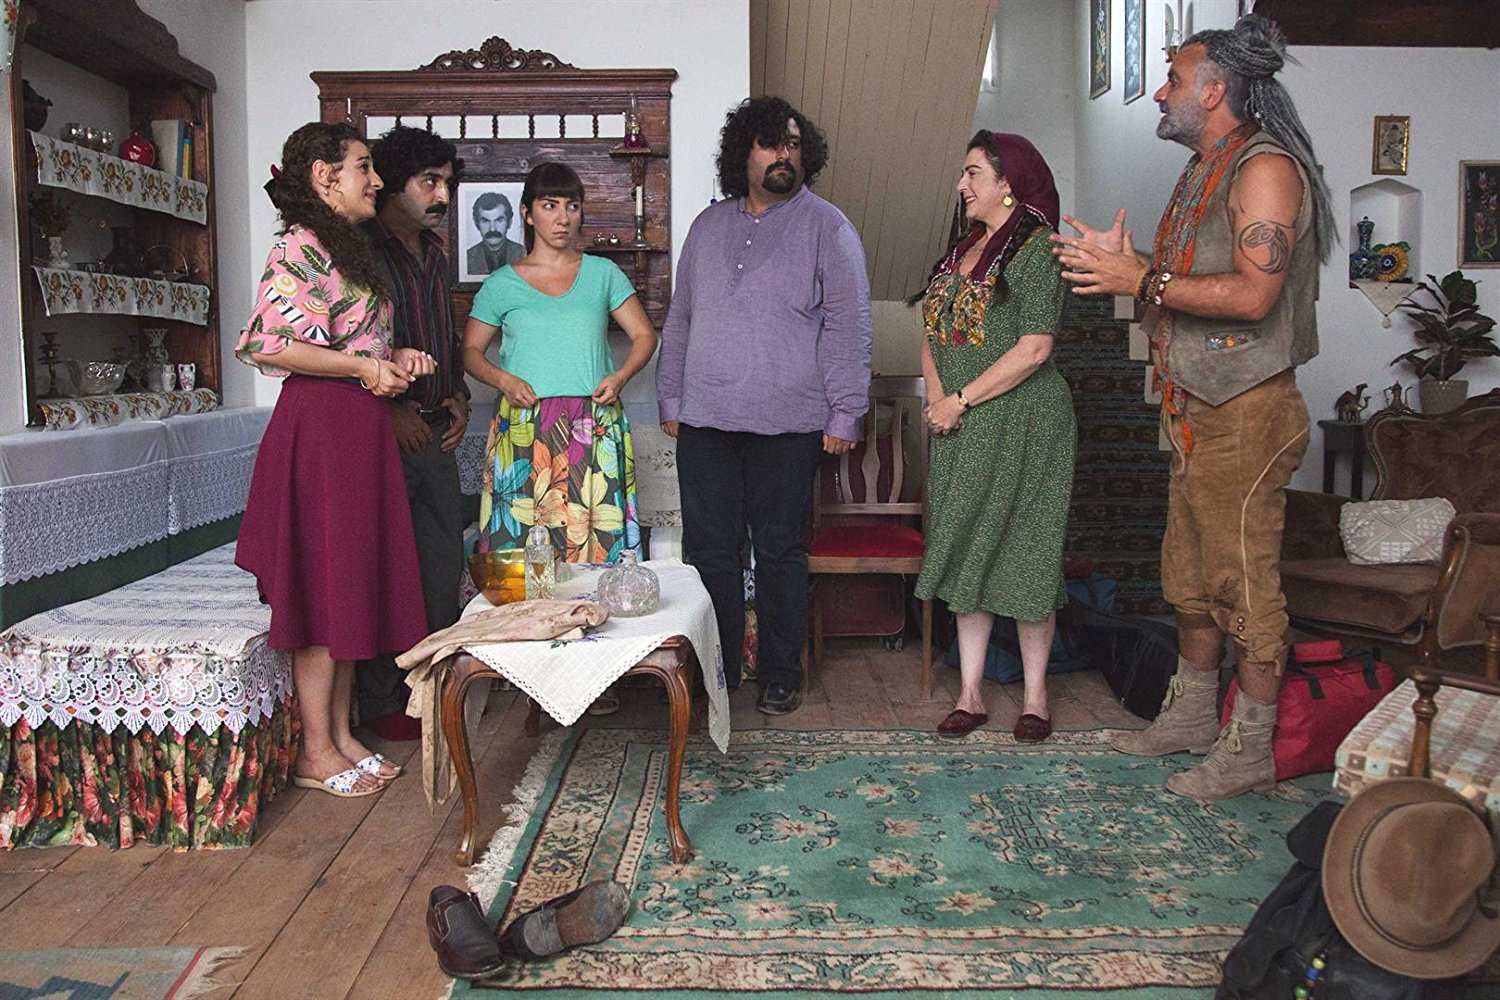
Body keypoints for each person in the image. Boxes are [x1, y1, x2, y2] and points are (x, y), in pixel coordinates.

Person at [1052, 14, 1331, 800]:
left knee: (1244, 585)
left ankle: (1249, 749)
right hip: (1193, 411)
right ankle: (1190, 717)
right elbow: (1183, 287)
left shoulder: (1264, 168)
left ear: (1213, 91)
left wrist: (1139, 279)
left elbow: (1254, 296)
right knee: (1188, 579)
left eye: (1172, 79)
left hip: (1247, 412)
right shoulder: (1206, 168)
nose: (1159, 94)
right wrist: (1130, 266)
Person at [235, 122, 437, 798]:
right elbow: (268, 344)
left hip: (357, 431)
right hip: (322, 432)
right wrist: (362, 367)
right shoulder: (301, 245)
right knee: (325, 590)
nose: (375, 181)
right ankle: (315, 750)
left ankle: (342, 737)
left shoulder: (346, 247)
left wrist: (391, 358)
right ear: (325, 176)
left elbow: (347, 343)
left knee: (351, 586)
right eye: (364, 167)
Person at [656, 96, 872, 717]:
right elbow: (682, 317)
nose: (785, 154)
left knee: (780, 552)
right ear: (742, 153)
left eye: (795, 144)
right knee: (710, 555)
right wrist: (672, 395)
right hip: (705, 421)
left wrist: (844, 411)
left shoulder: (828, 226)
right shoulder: (707, 227)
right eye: (771, 142)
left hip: (789, 423)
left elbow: (850, 324)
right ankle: (717, 672)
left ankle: (780, 674)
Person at [461, 162, 657, 711]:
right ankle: (531, 672)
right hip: (523, 429)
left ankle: (597, 673)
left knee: (594, 542)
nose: (562, 217)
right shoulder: (501, 284)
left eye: (572, 206)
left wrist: (621, 376)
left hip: (593, 426)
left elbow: (644, 335)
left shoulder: (602, 275)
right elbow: (470, 352)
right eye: (549, 206)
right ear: (527, 214)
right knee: (524, 546)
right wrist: (503, 379)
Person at [912, 131, 1076, 744]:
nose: (962, 184)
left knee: (1028, 551)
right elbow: (931, 332)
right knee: (967, 549)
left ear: (1009, 185)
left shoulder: (1037, 252)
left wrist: (960, 399)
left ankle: (1035, 700)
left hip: (1025, 425)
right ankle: (970, 694)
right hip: (961, 426)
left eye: (973, 172)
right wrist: (938, 399)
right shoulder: (961, 253)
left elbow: (1035, 348)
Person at [354, 125, 470, 742]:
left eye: (447, 183)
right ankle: (382, 701)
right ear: (392, 183)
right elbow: (354, 343)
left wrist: (458, 396)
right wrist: (391, 411)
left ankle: (434, 693)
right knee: (387, 568)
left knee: (440, 566)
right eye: (429, 182)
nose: (442, 195)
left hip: (436, 431)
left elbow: (443, 334)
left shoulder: (434, 253)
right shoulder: (360, 250)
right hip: (384, 434)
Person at [465, 191, 526, 275]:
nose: (492, 229)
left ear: (509, 222)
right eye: (485, 221)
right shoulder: (466, 258)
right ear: (476, 224)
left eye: (499, 220)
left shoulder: (524, 254)